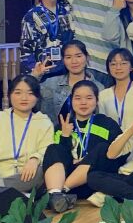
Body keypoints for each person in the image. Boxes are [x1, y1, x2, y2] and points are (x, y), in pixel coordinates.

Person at [41, 80, 123, 213]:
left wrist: (87, 160)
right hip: (65, 176)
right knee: (53, 148)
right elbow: (58, 157)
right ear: (71, 101)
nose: (83, 102)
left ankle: (57, 194)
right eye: (78, 98)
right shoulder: (63, 125)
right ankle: (56, 194)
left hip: (91, 181)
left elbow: (118, 155)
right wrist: (65, 136)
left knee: (103, 148)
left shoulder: (107, 124)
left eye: (89, 98)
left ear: (96, 101)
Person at [20, 0, 78, 77]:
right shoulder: (32, 16)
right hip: (44, 73)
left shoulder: (67, 9)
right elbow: (26, 50)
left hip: (69, 72)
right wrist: (33, 77)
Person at [39, 39, 110, 118]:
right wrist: (35, 75)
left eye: (78, 56)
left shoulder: (99, 88)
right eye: (68, 57)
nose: (74, 61)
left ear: (87, 57)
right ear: (63, 60)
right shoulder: (51, 83)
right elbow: (31, 97)